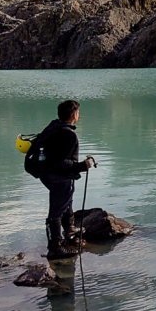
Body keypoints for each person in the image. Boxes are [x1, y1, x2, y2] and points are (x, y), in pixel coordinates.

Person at [37, 99, 95, 259]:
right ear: (74, 115)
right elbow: (61, 162)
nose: (79, 115)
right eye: (78, 112)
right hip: (58, 177)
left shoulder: (53, 127)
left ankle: (69, 228)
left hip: (47, 175)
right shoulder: (69, 135)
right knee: (55, 212)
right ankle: (55, 247)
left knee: (65, 201)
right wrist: (84, 165)